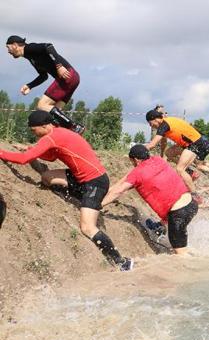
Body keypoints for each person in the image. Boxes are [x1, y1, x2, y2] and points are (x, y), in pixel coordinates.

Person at [0, 111, 132, 270]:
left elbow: (23, 159)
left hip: (95, 183)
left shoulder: (52, 137)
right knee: (47, 177)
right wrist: (29, 148)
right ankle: (81, 200)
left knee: (87, 228)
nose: (34, 134)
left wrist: (2, 152)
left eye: (34, 130)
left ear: (44, 126)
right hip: (85, 177)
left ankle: (121, 262)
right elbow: (51, 157)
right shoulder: (58, 133)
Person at [101, 145, 198, 254]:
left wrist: (99, 205)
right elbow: (124, 181)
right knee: (180, 236)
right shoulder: (158, 160)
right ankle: (161, 227)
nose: (132, 165)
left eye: (131, 162)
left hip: (178, 213)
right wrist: (108, 190)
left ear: (136, 160)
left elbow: (118, 191)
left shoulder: (137, 173)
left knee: (181, 255)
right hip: (192, 204)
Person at [5, 36, 84, 134]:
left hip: (67, 76)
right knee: (53, 115)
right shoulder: (30, 57)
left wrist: (59, 66)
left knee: (42, 105)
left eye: (8, 47)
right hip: (72, 78)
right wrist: (30, 85)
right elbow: (43, 76)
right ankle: (66, 136)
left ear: (15, 45)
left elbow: (48, 46)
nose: (8, 51)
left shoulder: (29, 48)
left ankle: (75, 126)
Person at [144, 109, 209, 193]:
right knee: (168, 153)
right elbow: (163, 142)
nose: (151, 126)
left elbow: (152, 144)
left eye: (150, 123)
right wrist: (162, 155)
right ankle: (189, 172)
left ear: (156, 119)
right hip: (193, 143)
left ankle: (194, 194)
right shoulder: (166, 122)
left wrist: (137, 151)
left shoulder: (164, 125)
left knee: (179, 169)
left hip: (196, 144)